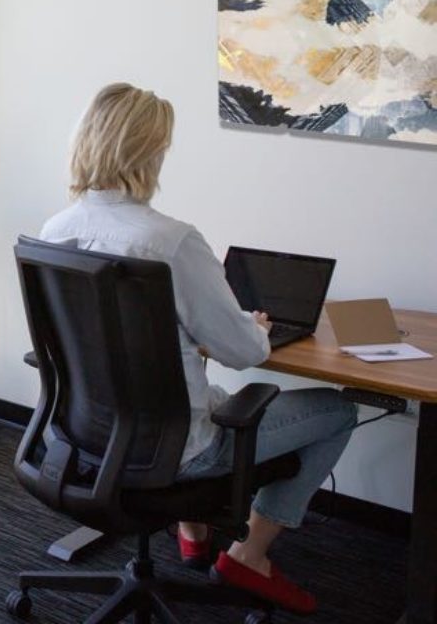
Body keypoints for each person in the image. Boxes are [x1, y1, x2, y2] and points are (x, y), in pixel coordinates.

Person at [39, 82, 356, 615]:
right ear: (149, 154)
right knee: (338, 409)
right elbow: (244, 353)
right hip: (178, 454)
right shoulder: (171, 241)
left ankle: (191, 527)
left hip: (84, 438)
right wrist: (251, 325)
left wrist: (185, 336)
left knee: (196, 390)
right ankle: (248, 555)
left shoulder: (56, 231)